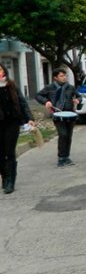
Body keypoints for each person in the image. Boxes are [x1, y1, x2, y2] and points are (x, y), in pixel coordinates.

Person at [0, 63, 34, 194]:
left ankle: (11, 181)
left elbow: (22, 102)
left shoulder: (12, 85)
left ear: (4, 71)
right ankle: (4, 176)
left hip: (12, 122)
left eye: (0, 70)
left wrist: (29, 118)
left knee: (9, 151)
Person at [35, 68, 80, 167]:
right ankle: (61, 158)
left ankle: (66, 157)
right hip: (57, 114)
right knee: (63, 134)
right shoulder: (50, 87)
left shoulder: (70, 87)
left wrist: (77, 100)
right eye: (61, 76)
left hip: (70, 114)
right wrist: (46, 101)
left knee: (68, 136)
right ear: (55, 77)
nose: (64, 78)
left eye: (65, 75)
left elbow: (78, 96)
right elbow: (38, 96)